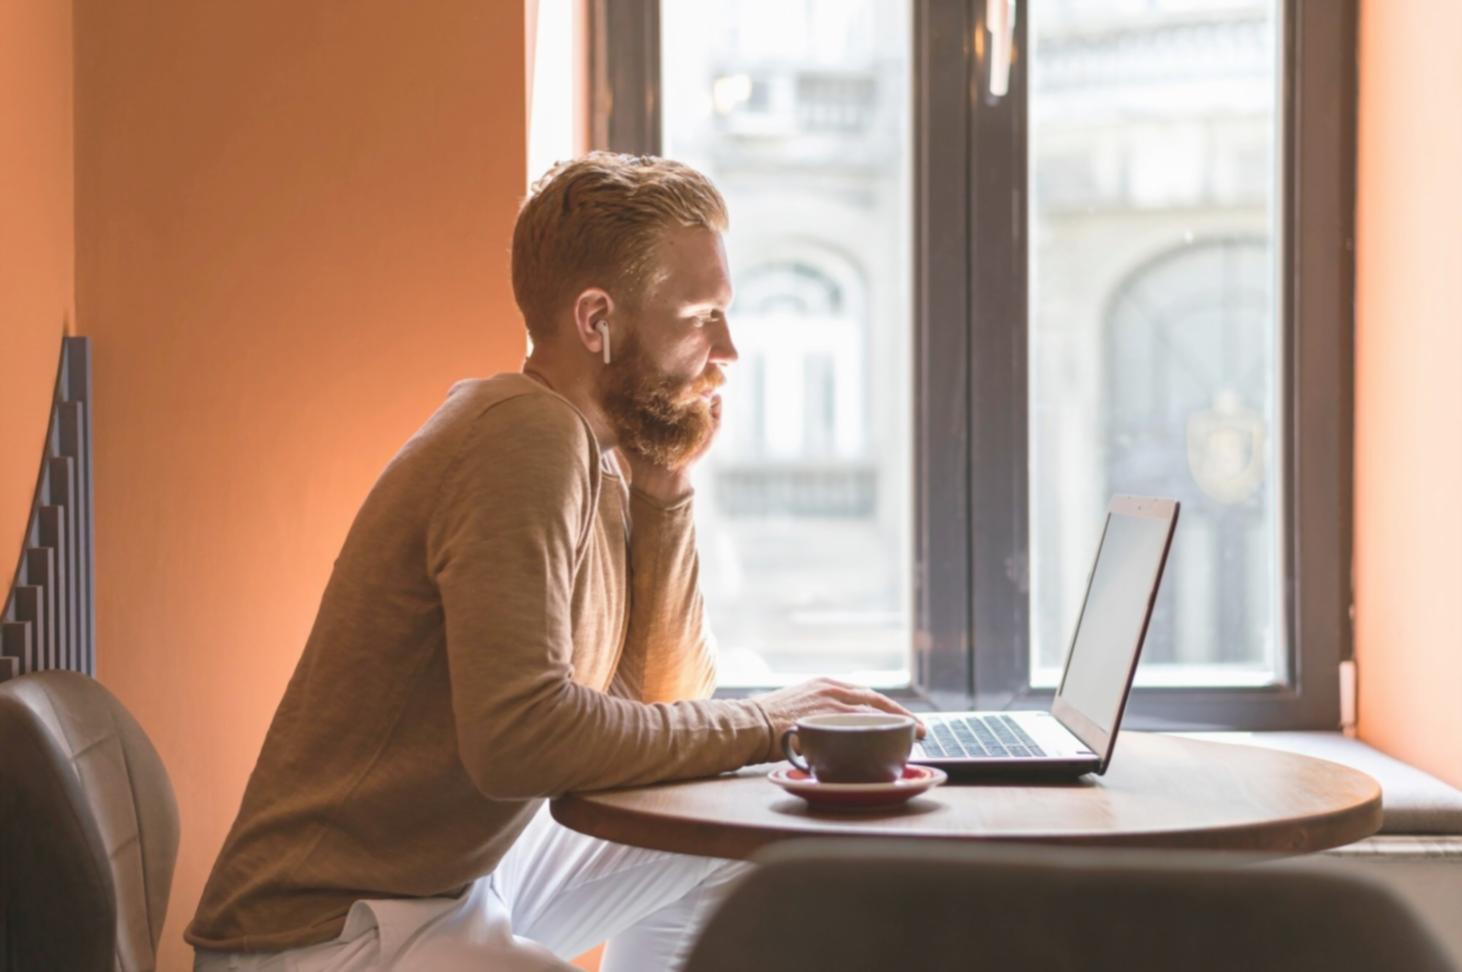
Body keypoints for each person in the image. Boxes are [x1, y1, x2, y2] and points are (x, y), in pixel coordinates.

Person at [187, 152, 917, 971]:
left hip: (455, 887)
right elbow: (521, 742)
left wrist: (665, 490)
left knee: (737, 834)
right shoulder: (521, 434)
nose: (729, 350)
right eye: (701, 316)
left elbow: (667, 703)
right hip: (329, 937)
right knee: (746, 765)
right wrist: (766, 721)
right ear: (598, 321)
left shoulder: (596, 456)